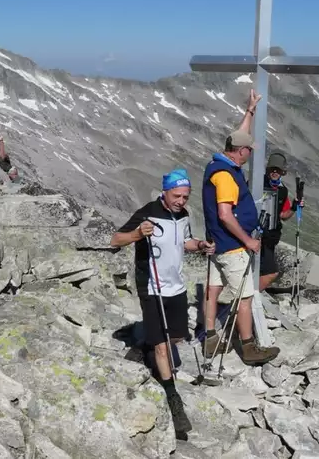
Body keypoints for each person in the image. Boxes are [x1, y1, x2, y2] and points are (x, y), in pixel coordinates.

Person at [110, 169, 214, 438]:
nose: (181, 200)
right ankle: (172, 397)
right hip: (152, 287)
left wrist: (200, 245)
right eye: (177, 195)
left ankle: (144, 345)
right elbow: (115, 239)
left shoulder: (183, 215)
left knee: (175, 338)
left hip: (176, 287)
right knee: (162, 346)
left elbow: (184, 242)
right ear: (165, 192)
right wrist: (138, 234)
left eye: (185, 196)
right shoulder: (148, 213)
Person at [201, 89, 280, 366]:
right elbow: (225, 214)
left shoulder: (218, 162)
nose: (249, 154)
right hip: (232, 247)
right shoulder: (225, 177)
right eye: (248, 151)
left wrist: (249, 111)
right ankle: (248, 348)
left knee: (212, 291)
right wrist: (247, 241)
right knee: (244, 298)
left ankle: (210, 337)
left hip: (216, 245)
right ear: (240, 151)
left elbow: (238, 135)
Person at [259, 151, 304, 291]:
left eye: (278, 170)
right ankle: (250, 298)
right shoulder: (257, 183)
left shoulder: (282, 190)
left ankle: (251, 295)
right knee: (270, 272)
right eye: (272, 168)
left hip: (269, 239)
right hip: (254, 234)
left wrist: (294, 207)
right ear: (268, 169)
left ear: (282, 172)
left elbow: (283, 215)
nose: (274, 172)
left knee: (267, 271)